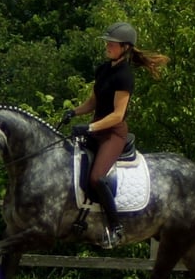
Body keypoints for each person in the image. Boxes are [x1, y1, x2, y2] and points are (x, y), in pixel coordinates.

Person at [63, 21, 169, 248]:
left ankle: (115, 227)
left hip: (112, 134)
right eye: (108, 42)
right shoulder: (103, 69)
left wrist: (89, 127)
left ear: (126, 48)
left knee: (97, 178)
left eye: (113, 43)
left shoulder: (125, 76)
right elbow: (93, 101)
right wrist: (74, 111)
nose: (108, 46)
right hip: (97, 129)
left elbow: (117, 115)